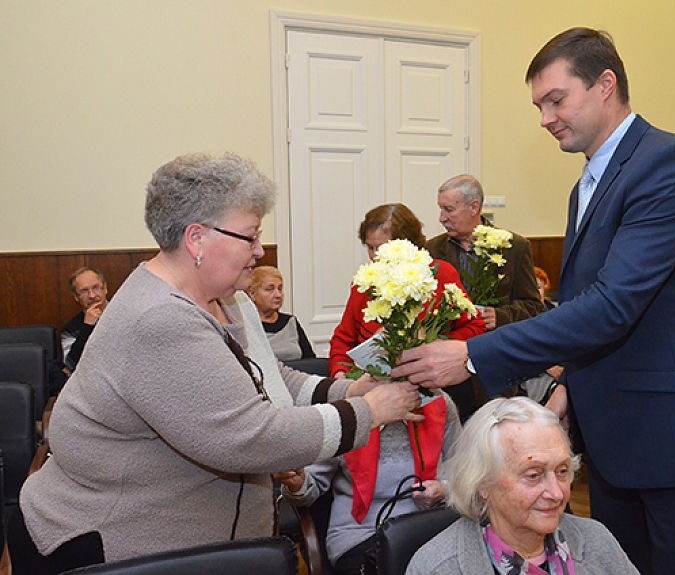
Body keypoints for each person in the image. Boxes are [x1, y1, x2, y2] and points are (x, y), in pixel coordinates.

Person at [393, 28, 675, 575]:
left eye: (555, 99)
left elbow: (614, 306)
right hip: (616, 432)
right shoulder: (591, 179)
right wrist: (568, 386)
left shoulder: (668, 163)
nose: (544, 117)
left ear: (605, 84)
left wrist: (472, 355)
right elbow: (595, 308)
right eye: (540, 105)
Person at [8, 152, 422, 575]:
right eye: (251, 236)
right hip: (111, 545)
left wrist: (348, 390)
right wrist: (369, 412)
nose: (260, 250)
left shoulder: (228, 298)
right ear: (197, 239)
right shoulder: (160, 318)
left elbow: (269, 377)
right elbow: (248, 437)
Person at [406, 397, 640, 575]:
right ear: (483, 483)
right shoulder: (438, 567)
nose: (556, 493)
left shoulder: (595, 540)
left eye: (562, 471)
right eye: (533, 475)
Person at [278, 387, 460, 575]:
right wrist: (297, 484)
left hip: (430, 525)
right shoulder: (345, 410)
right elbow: (308, 489)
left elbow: (465, 474)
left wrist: (444, 489)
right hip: (362, 533)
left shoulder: (438, 402)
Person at [329, 203, 485, 421]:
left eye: (382, 248)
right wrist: (342, 377)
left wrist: (436, 346)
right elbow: (343, 339)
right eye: (370, 248)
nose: (375, 257)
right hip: (377, 395)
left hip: (433, 391)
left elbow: (475, 327)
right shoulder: (364, 283)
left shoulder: (440, 275)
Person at [426, 174, 543, 331]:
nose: (442, 218)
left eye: (449, 210)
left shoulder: (514, 247)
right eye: (441, 209)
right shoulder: (432, 249)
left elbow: (533, 306)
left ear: (474, 207)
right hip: (448, 343)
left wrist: (501, 316)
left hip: (495, 344)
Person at [247, 265, 316, 362]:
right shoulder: (246, 325)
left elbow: (311, 360)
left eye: (280, 289)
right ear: (252, 294)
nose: (278, 295)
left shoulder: (290, 322)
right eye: (270, 289)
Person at [60, 267, 108, 374]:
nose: (92, 295)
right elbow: (71, 364)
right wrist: (87, 327)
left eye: (96, 288)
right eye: (84, 291)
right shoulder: (70, 330)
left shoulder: (125, 314)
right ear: (76, 297)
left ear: (105, 288)